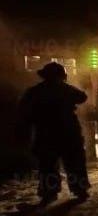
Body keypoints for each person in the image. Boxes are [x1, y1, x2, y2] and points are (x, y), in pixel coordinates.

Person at [18, 62, 90, 205]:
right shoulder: (66, 89)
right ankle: (80, 189)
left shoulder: (34, 91)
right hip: (69, 133)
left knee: (47, 165)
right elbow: (82, 97)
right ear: (61, 76)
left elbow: (24, 110)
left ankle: (49, 192)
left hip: (45, 133)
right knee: (74, 162)